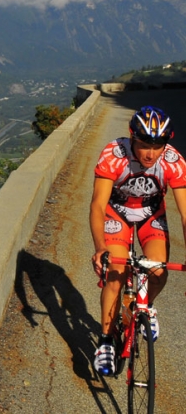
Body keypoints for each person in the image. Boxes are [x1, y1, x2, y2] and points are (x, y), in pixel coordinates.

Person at [90, 105, 186, 376]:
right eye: (144, 145)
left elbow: (185, 213)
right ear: (132, 138)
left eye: (158, 146)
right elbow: (97, 205)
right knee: (116, 274)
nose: (150, 153)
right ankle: (106, 340)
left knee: (158, 269)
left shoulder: (174, 161)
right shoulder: (113, 155)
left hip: (150, 215)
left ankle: (146, 307)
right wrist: (100, 248)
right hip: (116, 214)